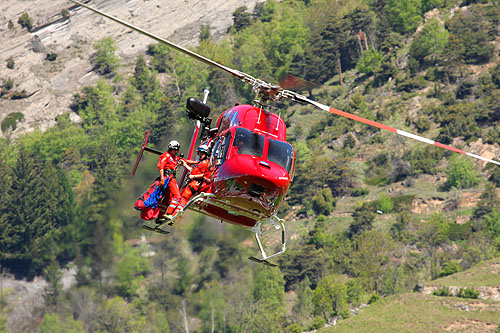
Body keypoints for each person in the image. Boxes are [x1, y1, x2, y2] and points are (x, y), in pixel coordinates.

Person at [171, 144, 212, 218]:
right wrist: (185, 165)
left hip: (195, 183)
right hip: (192, 182)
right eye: (199, 153)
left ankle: (176, 215)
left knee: (184, 198)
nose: (200, 155)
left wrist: (193, 176)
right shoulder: (200, 162)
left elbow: (204, 175)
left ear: (206, 153)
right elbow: (193, 171)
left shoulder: (205, 163)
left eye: (202, 153)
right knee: (181, 197)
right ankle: (173, 214)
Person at [156, 140, 184, 222]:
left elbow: (184, 161)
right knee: (177, 196)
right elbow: (161, 167)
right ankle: (168, 214)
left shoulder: (174, 157)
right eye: (175, 150)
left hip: (169, 179)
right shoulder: (166, 156)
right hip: (168, 179)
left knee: (167, 198)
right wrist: (162, 179)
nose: (176, 151)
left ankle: (160, 216)